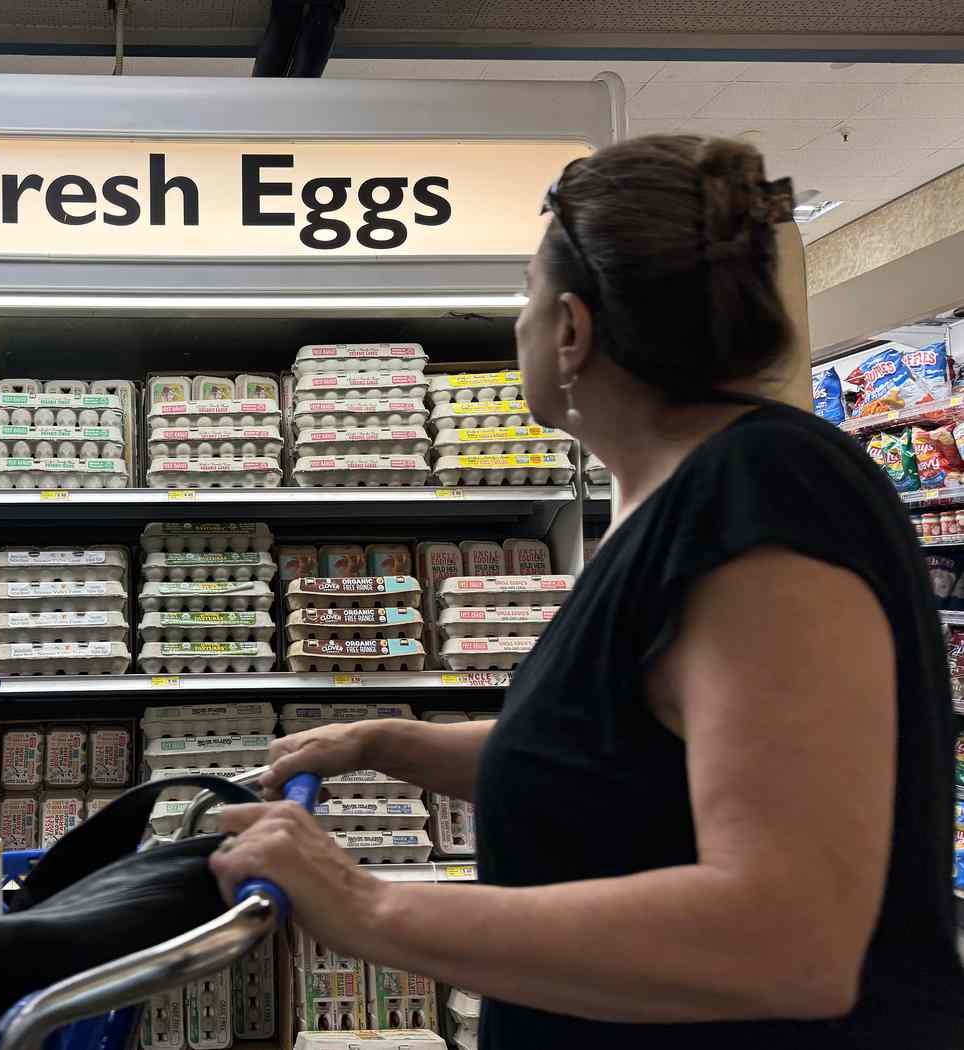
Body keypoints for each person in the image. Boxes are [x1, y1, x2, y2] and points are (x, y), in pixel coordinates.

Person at [210, 135, 964, 1048]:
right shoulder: (692, 498)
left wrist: (368, 906)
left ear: (571, 328)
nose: (516, 322)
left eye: (524, 295)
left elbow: (787, 939)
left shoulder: (763, 489)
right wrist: (385, 742)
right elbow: (612, 766)